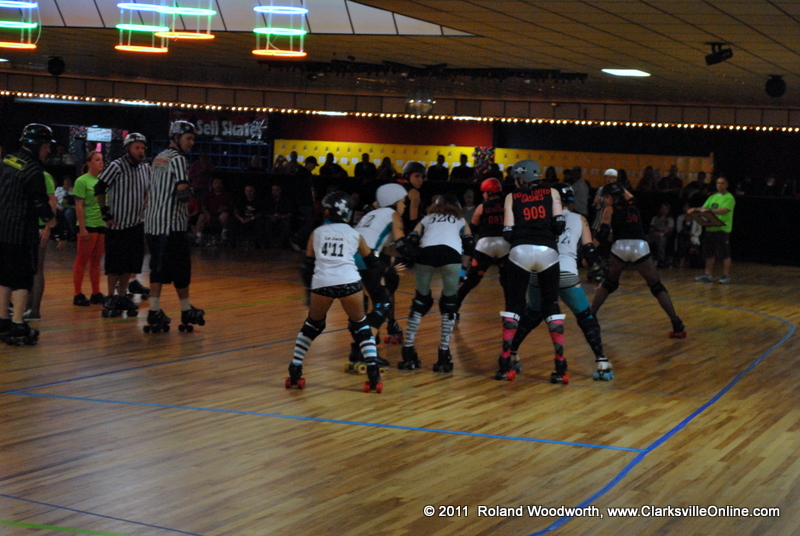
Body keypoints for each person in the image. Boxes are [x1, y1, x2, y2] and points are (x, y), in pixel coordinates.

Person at [507, 183, 613, 380]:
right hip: (565, 272)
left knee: (533, 313)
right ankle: (602, 361)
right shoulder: (579, 218)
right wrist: (597, 273)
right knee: (585, 316)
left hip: (540, 269)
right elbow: (589, 249)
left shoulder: (541, 215)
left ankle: (511, 353)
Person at [287, 191, 384, 393]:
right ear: (348, 212)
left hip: (323, 283)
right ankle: (373, 371)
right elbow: (372, 264)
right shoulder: (355, 234)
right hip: (350, 282)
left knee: (313, 325)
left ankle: (295, 368)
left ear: (326, 212)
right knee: (361, 325)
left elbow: (307, 266)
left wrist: (308, 292)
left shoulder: (317, 232)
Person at [497, 160, 568, 383]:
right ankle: (560, 366)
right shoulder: (552, 193)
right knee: (551, 304)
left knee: (514, 306)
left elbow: (507, 233)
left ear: (521, 178)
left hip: (520, 251)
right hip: (548, 251)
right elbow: (559, 225)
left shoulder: (512, 197)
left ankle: (505, 364)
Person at [590, 183, 686, 338]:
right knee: (656, 286)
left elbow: (604, 232)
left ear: (612, 197)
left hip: (620, 247)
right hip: (639, 246)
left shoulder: (609, 209)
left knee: (609, 283)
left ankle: (591, 317)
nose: (605, 200)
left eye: (607, 196)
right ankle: (676, 323)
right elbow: (629, 196)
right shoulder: (633, 205)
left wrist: (590, 248)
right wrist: (619, 188)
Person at [396, 194, 473, 373]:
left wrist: (413, 257)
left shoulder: (428, 218)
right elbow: (469, 245)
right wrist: (463, 272)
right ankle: (443, 354)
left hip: (426, 253)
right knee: (449, 303)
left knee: (420, 300)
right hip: (451, 254)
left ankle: (408, 349)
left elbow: (412, 239)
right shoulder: (460, 220)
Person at [142, 120, 205, 333]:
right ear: (177, 138)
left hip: (153, 223)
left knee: (158, 268)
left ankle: (156, 309)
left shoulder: (159, 157)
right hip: (171, 225)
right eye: (189, 138)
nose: (192, 143)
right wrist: (194, 192)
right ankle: (181, 309)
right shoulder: (178, 159)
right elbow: (183, 193)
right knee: (181, 269)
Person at [0, 123, 56, 344]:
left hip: (2, 229)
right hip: (21, 233)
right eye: (46, 147)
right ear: (36, 146)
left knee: (4, 277)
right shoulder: (33, 170)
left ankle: (2, 320)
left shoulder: (7, 160)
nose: (48, 151)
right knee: (22, 280)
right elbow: (40, 204)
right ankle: (17, 324)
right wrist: (53, 225)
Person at [94, 132, 151, 318]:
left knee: (130, 264)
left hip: (136, 223)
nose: (140, 151)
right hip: (117, 224)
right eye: (137, 148)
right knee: (115, 265)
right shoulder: (116, 166)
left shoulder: (145, 168)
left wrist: (146, 200)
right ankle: (110, 297)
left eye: (142, 148)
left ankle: (121, 296)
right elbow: (99, 187)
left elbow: (148, 189)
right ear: (127, 149)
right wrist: (105, 212)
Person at [351, 183, 407, 366]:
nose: (405, 206)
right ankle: (364, 351)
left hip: (349, 257)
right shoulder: (393, 215)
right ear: (394, 201)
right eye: (403, 202)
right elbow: (401, 245)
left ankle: (358, 348)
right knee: (383, 305)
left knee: (361, 306)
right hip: (365, 258)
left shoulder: (372, 214)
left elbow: (385, 246)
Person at [455, 178, 508, 310]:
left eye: (484, 192)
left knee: (472, 279)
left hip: (485, 244)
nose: (483, 195)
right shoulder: (507, 205)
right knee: (508, 282)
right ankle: (511, 313)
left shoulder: (482, 206)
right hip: (505, 244)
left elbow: (474, 226)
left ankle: (454, 307)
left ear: (489, 192)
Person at [24, 169, 61, 322]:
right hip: (25, 226)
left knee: (37, 267)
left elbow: (52, 201)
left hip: (39, 226)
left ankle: (34, 309)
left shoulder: (44, 176)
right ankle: (25, 307)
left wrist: (47, 228)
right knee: (27, 268)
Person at [72, 151, 106, 307]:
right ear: (89, 163)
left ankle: (96, 293)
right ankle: (77, 294)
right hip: (88, 224)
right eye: (97, 160)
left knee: (96, 261)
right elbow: (78, 206)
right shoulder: (82, 181)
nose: (101, 162)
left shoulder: (103, 180)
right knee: (82, 260)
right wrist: (82, 228)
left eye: (102, 160)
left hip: (101, 224)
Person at [691, 176, 735, 284]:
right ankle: (708, 274)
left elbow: (724, 210)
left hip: (722, 229)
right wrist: (695, 209)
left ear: (726, 185)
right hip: (711, 228)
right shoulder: (712, 197)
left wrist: (709, 211)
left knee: (724, 253)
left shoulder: (729, 197)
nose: (719, 185)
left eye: (722, 183)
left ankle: (725, 276)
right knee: (709, 253)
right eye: (718, 183)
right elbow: (704, 208)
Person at [195, 177, 233, 245]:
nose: (217, 185)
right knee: (201, 217)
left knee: (225, 216)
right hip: (209, 214)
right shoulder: (208, 195)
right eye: (215, 183)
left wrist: (224, 208)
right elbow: (203, 207)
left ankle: (224, 233)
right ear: (212, 185)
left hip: (221, 215)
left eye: (219, 184)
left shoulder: (226, 195)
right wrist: (207, 213)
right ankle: (198, 236)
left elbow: (231, 207)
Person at [232, 184, 266, 248]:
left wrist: (251, 219)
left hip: (254, 219)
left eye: (250, 191)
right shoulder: (241, 199)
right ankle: (232, 244)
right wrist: (240, 218)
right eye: (247, 191)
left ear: (254, 191)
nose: (249, 193)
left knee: (261, 223)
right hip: (242, 218)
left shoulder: (258, 200)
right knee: (232, 222)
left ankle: (259, 244)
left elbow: (260, 212)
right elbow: (236, 211)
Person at [645, 201, 675, 268]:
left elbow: (670, 231)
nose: (663, 210)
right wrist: (654, 233)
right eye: (662, 208)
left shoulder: (670, 219)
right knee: (644, 240)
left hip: (663, 236)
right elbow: (651, 228)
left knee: (661, 241)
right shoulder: (655, 218)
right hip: (654, 235)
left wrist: (661, 234)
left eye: (665, 209)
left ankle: (661, 261)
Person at [263, 184, 293, 249]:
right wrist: (271, 216)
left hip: (282, 217)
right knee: (267, 224)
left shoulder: (285, 200)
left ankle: (283, 244)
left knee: (286, 224)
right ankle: (269, 244)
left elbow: (290, 212)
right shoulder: (268, 200)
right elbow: (264, 212)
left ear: (280, 190)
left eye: (276, 190)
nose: (274, 192)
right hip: (271, 217)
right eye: (273, 190)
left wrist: (281, 216)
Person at [674, 202, 702, 269]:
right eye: (685, 207)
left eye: (688, 207)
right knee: (683, 240)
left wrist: (694, 234)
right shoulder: (681, 218)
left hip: (693, 237)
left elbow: (699, 230)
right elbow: (679, 230)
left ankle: (687, 261)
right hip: (683, 236)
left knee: (689, 242)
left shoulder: (696, 218)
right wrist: (688, 233)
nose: (686, 208)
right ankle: (682, 261)